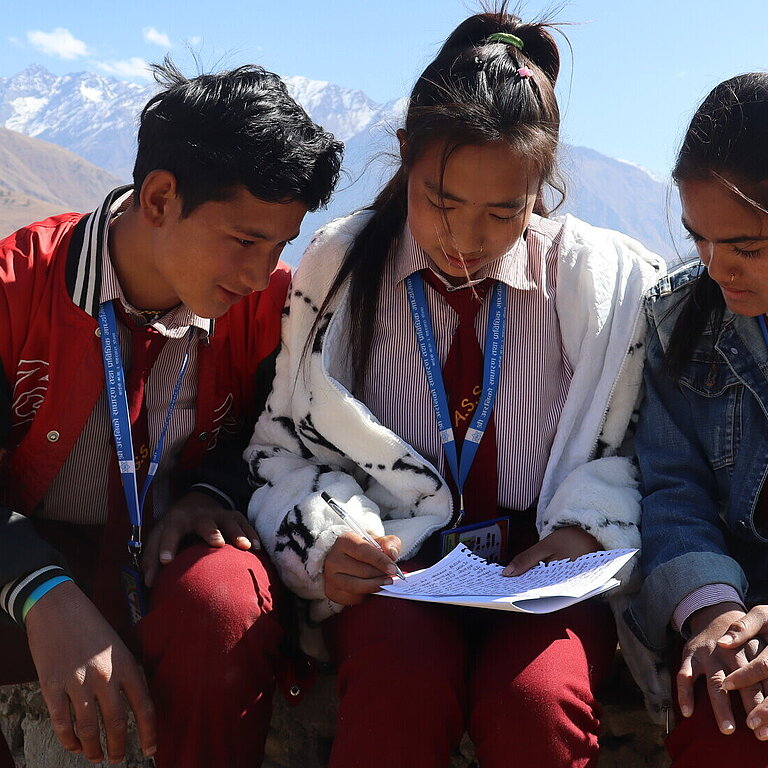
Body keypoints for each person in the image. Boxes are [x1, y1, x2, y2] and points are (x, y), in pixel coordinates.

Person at [244, 6, 664, 767]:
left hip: (544, 582)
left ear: (540, 186)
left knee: (537, 707)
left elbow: (642, 448)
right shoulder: (337, 275)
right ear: (405, 155)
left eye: (503, 212)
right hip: (400, 578)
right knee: (397, 691)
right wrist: (330, 543)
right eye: (441, 201)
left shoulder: (605, 290)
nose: (465, 239)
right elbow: (280, 450)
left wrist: (587, 533)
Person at [0, 60, 342, 768]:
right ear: (159, 199)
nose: (260, 273)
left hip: (170, 554)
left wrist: (212, 491)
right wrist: (41, 592)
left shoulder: (271, 306)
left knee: (223, 607)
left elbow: (279, 435)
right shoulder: (14, 289)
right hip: (28, 549)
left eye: (280, 246)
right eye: (246, 241)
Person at [626, 73, 768, 766]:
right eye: (698, 240)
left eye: (745, 249)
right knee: (725, 725)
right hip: (742, 625)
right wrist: (712, 612)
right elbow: (672, 489)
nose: (716, 271)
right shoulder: (677, 319)